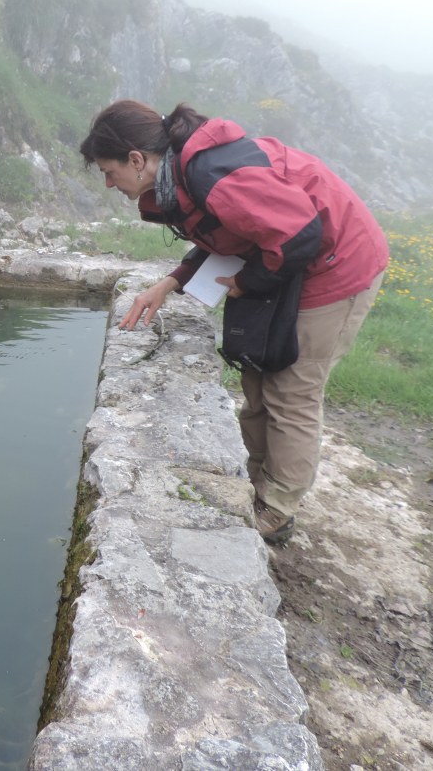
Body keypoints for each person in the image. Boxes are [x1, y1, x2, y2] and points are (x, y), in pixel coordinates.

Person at [80, 99, 389, 544]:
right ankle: (257, 484)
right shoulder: (183, 175)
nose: (110, 184)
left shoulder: (212, 174)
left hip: (335, 266)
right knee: (258, 379)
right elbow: (229, 231)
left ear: (136, 159)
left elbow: (300, 236)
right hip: (291, 261)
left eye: (110, 172)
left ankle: (276, 510)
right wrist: (172, 281)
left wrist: (249, 282)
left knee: (292, 390)